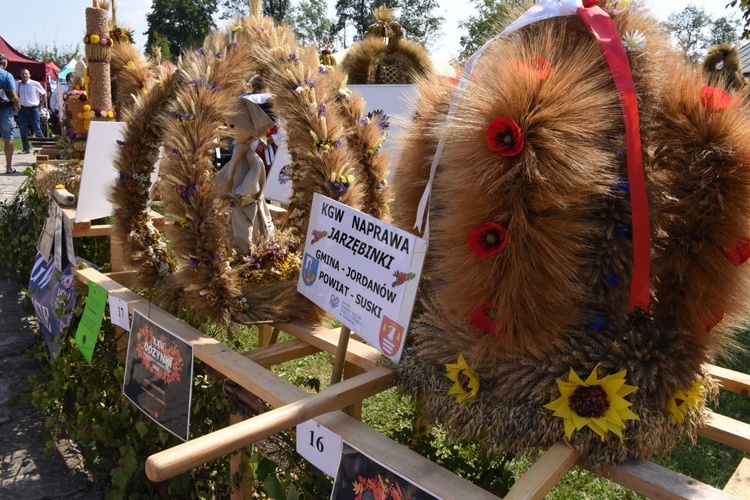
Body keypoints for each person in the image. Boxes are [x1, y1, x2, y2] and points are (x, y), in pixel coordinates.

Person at [16, 68, 47, 155]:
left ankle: (45, 146)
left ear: (29, 75)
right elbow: (14, 94)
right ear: (20, 75)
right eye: (22, 74)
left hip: (33, 109)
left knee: (37, 129)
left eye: (26, 74)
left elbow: (44, 93)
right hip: (22, 109)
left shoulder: (35, 83)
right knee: (23, 129)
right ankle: (26, 148)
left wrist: (41, 105)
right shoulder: (18, 84)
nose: (24, 75)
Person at [0, 54, 19, 174]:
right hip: (5, 110)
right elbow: (13, 94)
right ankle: (8, 167)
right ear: (5, 64)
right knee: (8, 139)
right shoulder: (7, 75)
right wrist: (17, 107)